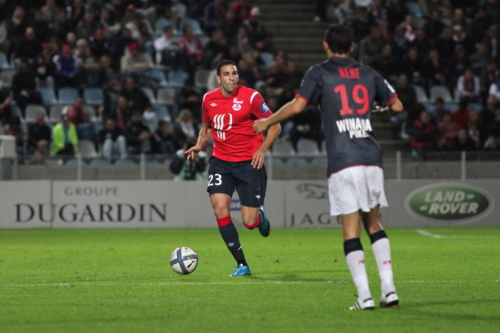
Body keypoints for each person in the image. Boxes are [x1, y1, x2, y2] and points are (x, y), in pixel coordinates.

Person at [253, 24, 403, 310]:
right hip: (372, 156)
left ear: (325, 46)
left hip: (344, 159)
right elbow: (397, 106)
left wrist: (267, 121)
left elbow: (297, 107)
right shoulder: (369, 73)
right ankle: (390, 290)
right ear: (352, 46)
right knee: (374, 223)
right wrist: (378, 107)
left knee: (350, 229)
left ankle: (365, 296)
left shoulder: (319, 73)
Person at [185, 59, 281, 277]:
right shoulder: (208, 99)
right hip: (221, 162)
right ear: (219, 78)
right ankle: (242, 264)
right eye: (227, 74)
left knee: (249, 222)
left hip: (249, 163)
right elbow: (207, 126)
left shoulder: (252, 97)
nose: (232, 78)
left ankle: (260, 216)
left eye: (234, 74)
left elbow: (275, 125)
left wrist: (262, 149)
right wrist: (200, 144)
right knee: (219, 208)